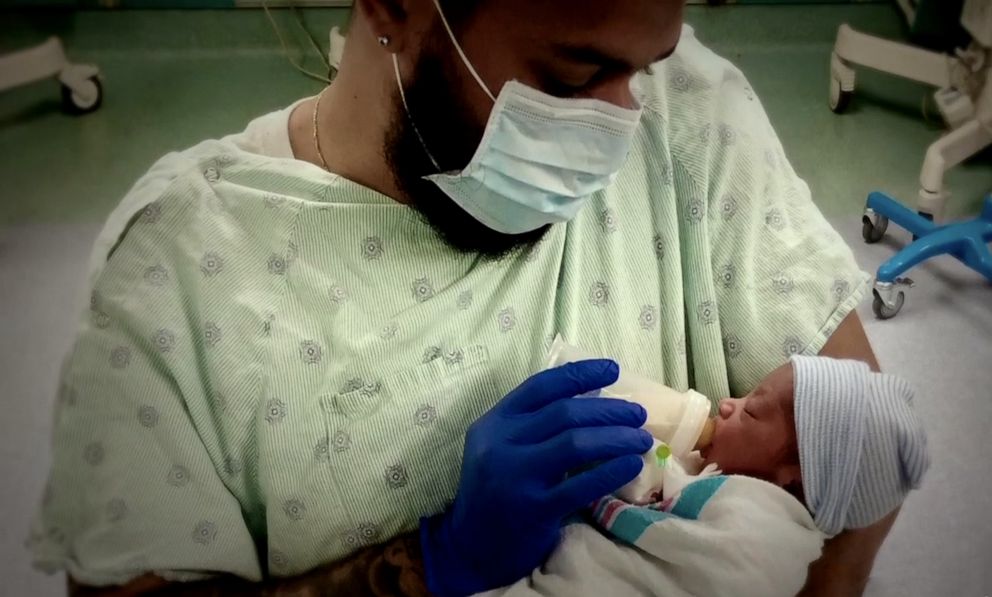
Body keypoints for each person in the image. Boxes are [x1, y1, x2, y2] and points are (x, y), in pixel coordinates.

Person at [28, 0, 895, 595]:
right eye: (570, 76)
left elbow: (863, 450)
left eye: (644, 69)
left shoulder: (688, 113)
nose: (619, 123)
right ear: (396, 4)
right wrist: (433, 562)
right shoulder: (178, 275)